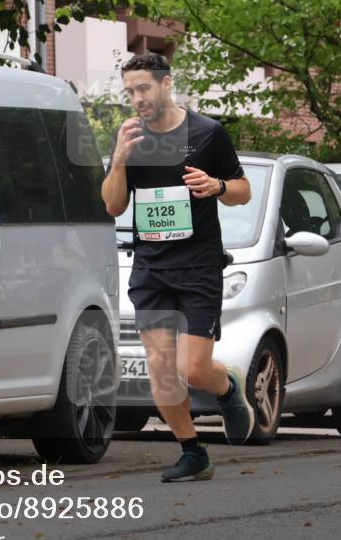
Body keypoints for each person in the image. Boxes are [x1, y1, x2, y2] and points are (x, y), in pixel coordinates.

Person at [101, 53, 253, 482]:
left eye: (144, 88)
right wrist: (118, 160)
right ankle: (193, 451)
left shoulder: (207, 134)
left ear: (167, 84)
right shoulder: (130, 137)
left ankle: (226, 388)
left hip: (198, 266)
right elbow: (113, 205)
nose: (137, 99)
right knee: (161, 367)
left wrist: (217, 186)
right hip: (151, 268)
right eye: (130, 91)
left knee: (192, 370)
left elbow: (243, 191)